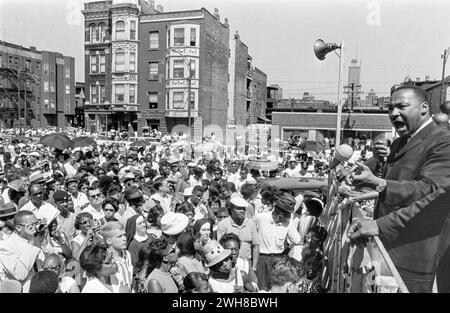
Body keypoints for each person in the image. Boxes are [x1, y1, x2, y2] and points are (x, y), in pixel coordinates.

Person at [348, 85, 450, 293]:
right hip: (386, 249)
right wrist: (370, 174)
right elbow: (394, 189)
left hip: (414, 257)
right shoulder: (398, 143)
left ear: (423, 108)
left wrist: (378, 225)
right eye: (390, 108)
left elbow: (429, 191)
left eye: (402, 106)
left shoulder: (442, 141)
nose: (394, 113)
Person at [254, 192, 301, 291]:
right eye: (287, 214)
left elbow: (297, 240)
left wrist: (287, 250)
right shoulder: (260, 218)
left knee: (278, 288)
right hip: (262, 259)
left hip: (279, 260)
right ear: (280, 213)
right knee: (261, 288)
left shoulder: (287, 223)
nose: (288, 217)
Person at [0, 210, 46, 292]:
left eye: (36, 223)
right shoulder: (5, 246)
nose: (35, 228)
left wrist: (42, 239)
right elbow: (19, 274)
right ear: (18, 228)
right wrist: (31, 243)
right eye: (31, 225)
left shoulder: (36, 239)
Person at [217, 197, 259, 272]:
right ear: (231, 210)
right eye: (239, 209)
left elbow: (256, 246)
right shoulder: (223, 225)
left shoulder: (251, 224)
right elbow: (220, 248)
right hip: (229, 265)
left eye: (244, 209)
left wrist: (254, 267)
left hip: (247, 263)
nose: (242, 211)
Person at [101, 221, 133, 293]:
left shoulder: (127, 254)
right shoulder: (104, 260)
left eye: (124, 235)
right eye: (119, 236)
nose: (124, 239)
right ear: (109, 241)